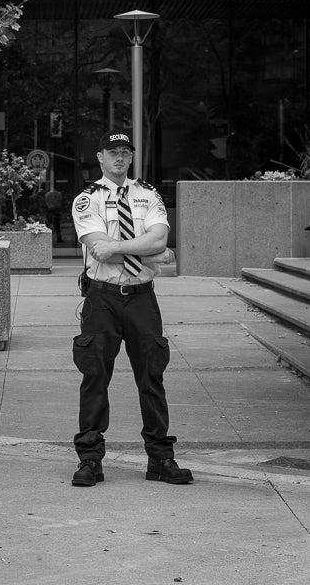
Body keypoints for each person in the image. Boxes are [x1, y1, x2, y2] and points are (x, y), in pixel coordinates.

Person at [70, 131, 193, 487]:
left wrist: (124, 247)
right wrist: (151, 253)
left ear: (131, 156)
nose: (119, 158)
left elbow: (159, 240)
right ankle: (90, 460)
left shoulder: (148, 194)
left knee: (152, 376)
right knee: (94, 377)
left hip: (141, 297)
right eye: (113, 152)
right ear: (100, 157)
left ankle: (160, 459)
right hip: (101, 298)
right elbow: (98, 248)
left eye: (125, 152)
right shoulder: (86, 199)